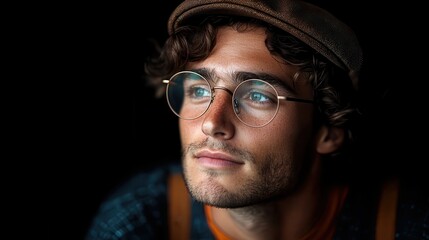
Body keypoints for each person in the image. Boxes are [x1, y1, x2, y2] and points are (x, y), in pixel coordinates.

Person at [85, 0, 429, 239]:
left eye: (257, 96)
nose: (211, 123)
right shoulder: (141, 217)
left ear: (328, 131)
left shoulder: (406, 220)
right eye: (199, 91)